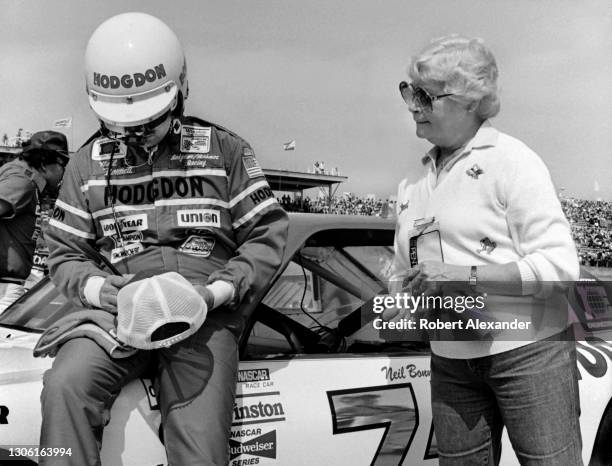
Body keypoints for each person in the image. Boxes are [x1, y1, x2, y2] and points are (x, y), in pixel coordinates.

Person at [40, 12, 288, 466]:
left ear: (180, 92)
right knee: (64, 386)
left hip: (204, 316)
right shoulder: (85, 164)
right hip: (119, 314)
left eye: (148, 122)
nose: (135, 134)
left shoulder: (224, 150)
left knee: (200, 444)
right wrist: (99, 289)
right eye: (122, 125)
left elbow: (266, 234)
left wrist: (217, 292)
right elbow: (64, 252)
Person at [389, 35, 582, 465]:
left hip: (530, 354)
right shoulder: (412, 179)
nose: (412, 105)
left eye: (425, 95)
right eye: (408, 91)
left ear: (472, 101)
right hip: (450, 360)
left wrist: (465, 276)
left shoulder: (514, 161)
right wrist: (406, 299)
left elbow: (560, 267)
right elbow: (405, 270)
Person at [0, 130, 69, 312]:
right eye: (63, 164)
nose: (64, 172)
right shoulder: (22, 181)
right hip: (4, 286)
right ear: (45, 163)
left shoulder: (18, 176)